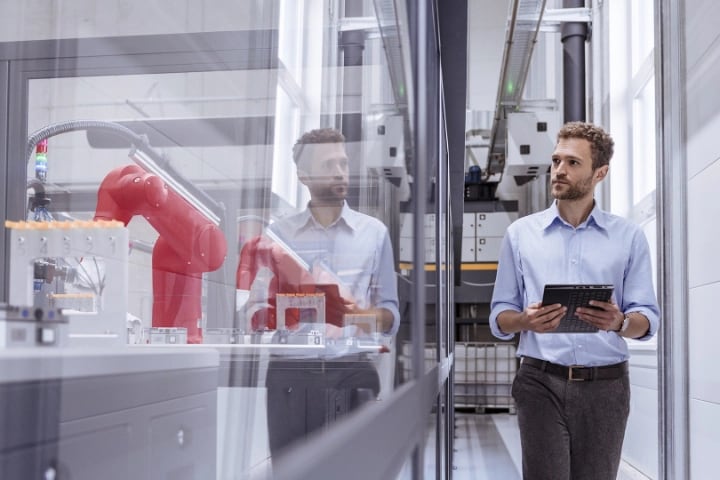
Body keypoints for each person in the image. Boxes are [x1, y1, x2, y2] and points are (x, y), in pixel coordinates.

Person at [489, 121, 660, 480]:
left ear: (600, 172)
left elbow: (647, 317)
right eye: (556, 160)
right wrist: (524, 321)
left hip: (607, 388)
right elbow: (500, 315)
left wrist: (619, 322)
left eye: (573, 163)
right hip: (539, 380)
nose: (559, 171)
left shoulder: (628, 237)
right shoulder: (520, 235)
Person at [236, 127, 400, 455]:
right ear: (303, 176)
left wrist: (352, 315)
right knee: (290, 471)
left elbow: (390, 316)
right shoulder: (277, 236)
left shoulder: (375, 234)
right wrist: (279, 312)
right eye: (328, 165)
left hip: (353, 370)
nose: (340, 172)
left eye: (343, 163)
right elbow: (250, 314)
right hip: (290, 375)